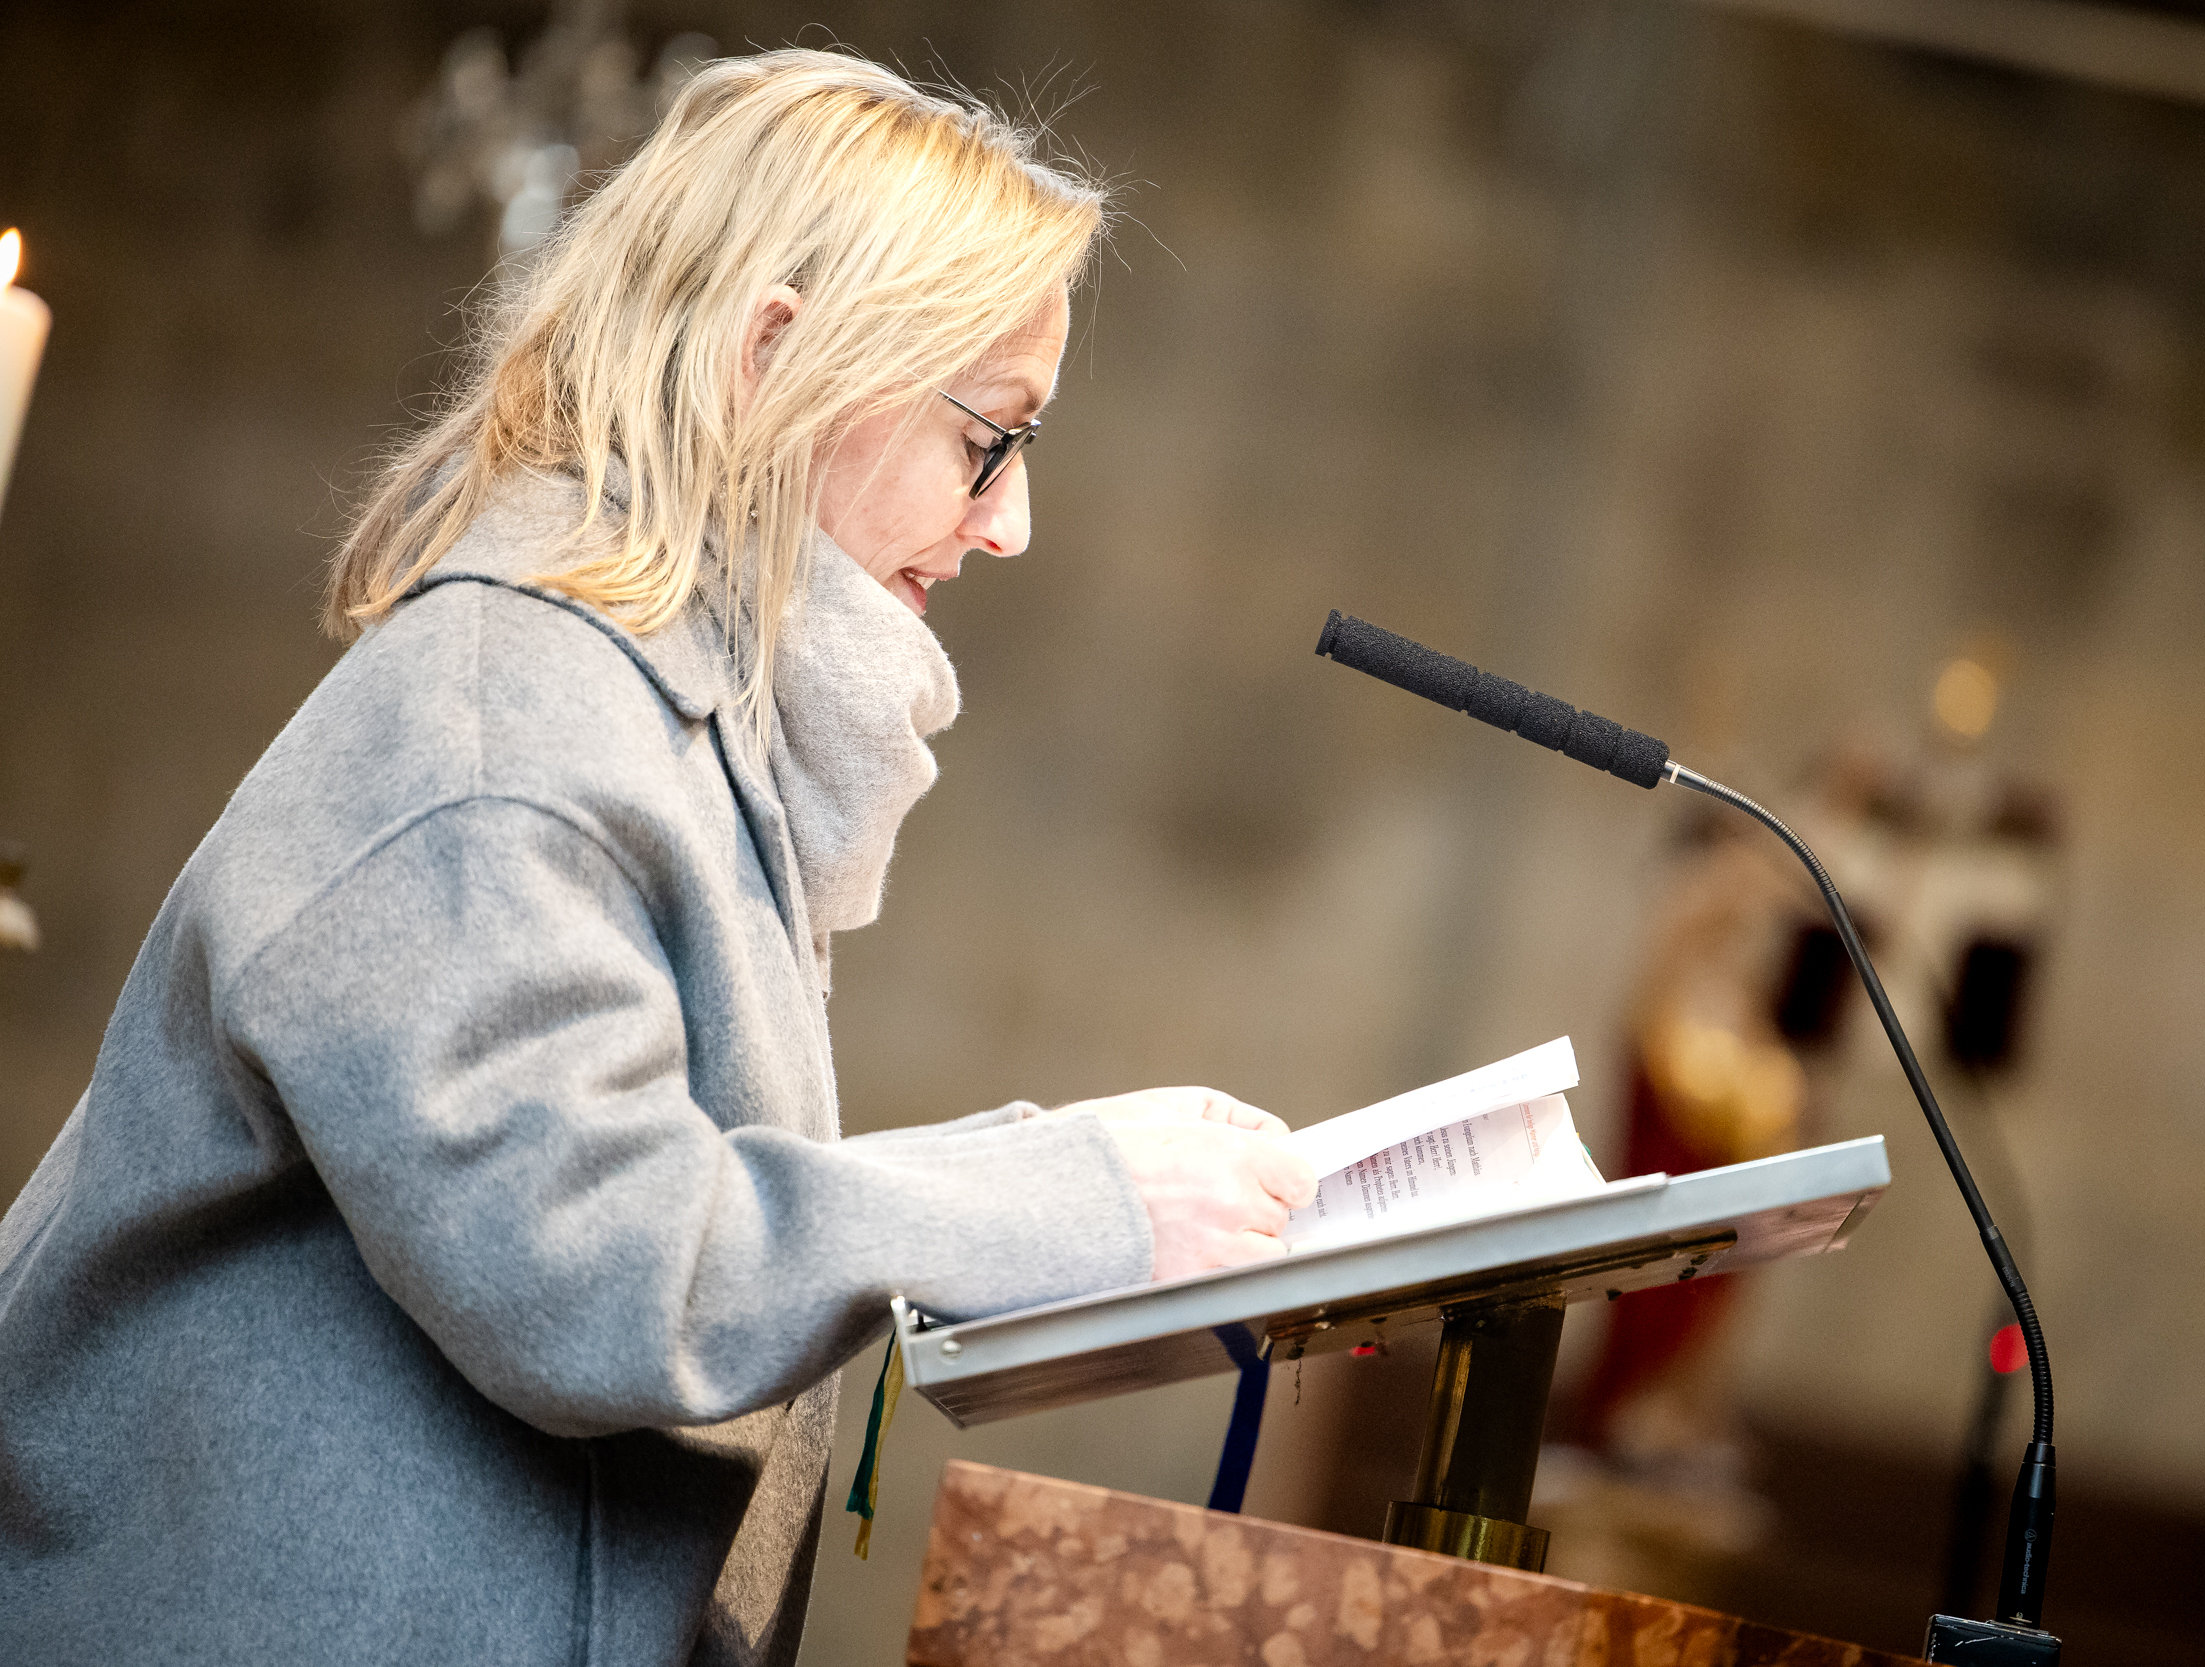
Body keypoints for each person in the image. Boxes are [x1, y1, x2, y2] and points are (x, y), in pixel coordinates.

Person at [0, 49, 1314, 1666]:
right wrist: (1066, 1201)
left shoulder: (655, 726)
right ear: (773, 358)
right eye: (990, 436)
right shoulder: (502, 733)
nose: (1010, 521)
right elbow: (595, 1269)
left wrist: (1081, 1182)